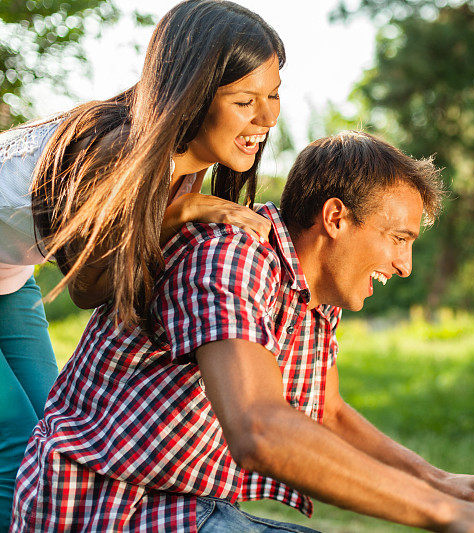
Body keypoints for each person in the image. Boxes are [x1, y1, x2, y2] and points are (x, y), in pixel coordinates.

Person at [11, 131, 474, 532]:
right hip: (109, 508)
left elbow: (325, 414)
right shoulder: (234, 259)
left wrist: (439, 481)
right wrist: (445, 514)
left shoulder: (312, 298)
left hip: (177, 505)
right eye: (398, 238)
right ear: (335, 218)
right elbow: (260, 430)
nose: (406, 265)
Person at [0, 1, 281, 529]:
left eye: (273, 95)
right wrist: (177, 213)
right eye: (246, 100)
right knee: (13, 441)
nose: (266, 118)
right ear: (193, 91)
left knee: (46, 437)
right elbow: (86, 286)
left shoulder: (182, 161)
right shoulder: (121, 150)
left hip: (7, 279)